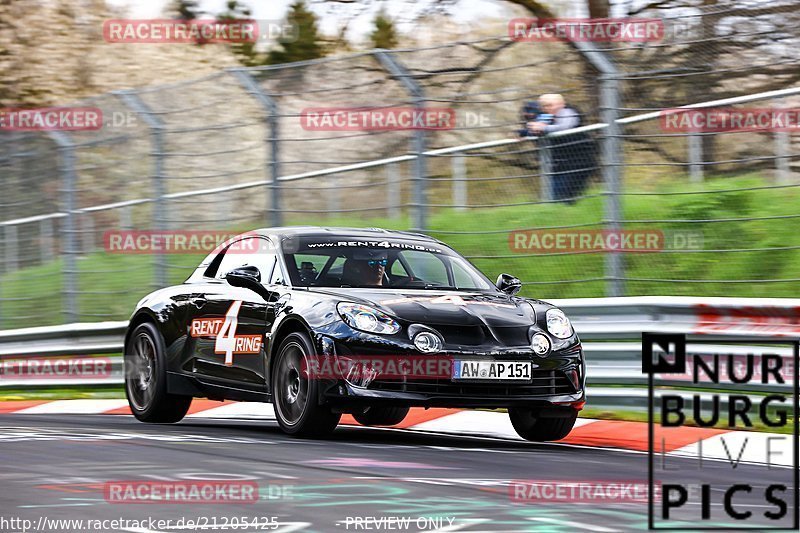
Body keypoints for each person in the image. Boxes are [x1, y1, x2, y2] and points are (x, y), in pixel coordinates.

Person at [525, 94, 596, 203]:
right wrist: (525, 133)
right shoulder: (546, 117)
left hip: (578, 163)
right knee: (553, 196)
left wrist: (544, 128)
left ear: (561, 104)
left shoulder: (567, 112)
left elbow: (565, 127)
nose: (547, 108)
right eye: (544, 106)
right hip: (560, 165)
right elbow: (535, 130)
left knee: (561, 196)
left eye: (550, 105)